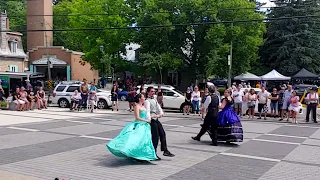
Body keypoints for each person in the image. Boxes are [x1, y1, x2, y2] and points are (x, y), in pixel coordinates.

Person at [107, 94, 158, 162]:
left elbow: (147, 115)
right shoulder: (136, 106)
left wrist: (153, 117)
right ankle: (133, 154)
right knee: (136, 141)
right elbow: (137, 117)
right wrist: (146, 120)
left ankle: (141, 155)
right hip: (139, 125)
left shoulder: (143, 106)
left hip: (145, 126)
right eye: (143, 97)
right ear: (140, 99)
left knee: (144, 142)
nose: (144, 98)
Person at [145, 87, 174, 159]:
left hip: (156, 119)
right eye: (151, 91)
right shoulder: (147, 101)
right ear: (148, 92)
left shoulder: (154, 99)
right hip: (151, 120)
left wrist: (161, 113)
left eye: (154, 91)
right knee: (155, 137)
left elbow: (159, 108)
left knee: (162, 133)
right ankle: (153, 153)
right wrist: (149, 120)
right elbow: (147, 112)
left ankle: (165, 150)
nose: (153, 92)